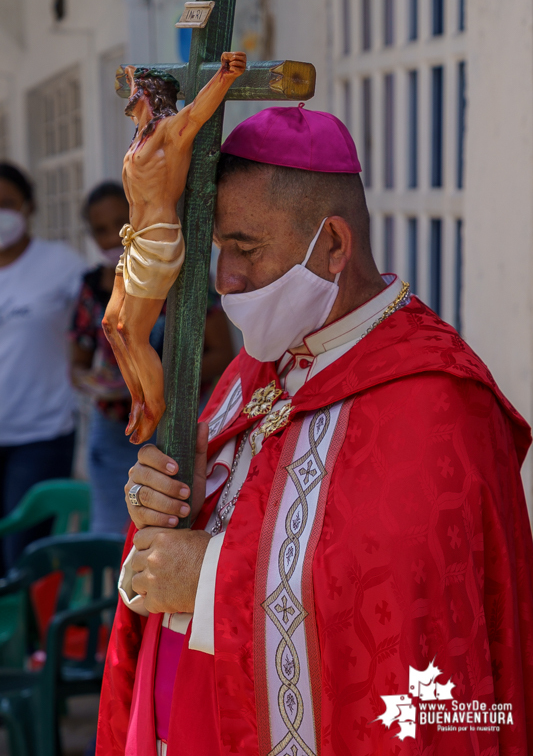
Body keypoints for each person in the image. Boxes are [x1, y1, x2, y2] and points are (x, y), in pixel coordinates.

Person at [97, 107, 533, 756]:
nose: (226, 281)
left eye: (245, 248)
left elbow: (405, 603)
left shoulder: (435, 397)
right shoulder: (256, 365)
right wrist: (165, 500)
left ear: (332, 245)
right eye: (220, 252)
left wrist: (211, 579)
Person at [72, 181, 235, 535]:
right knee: (114, 537)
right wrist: (100, 385)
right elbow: (77, 365)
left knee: (172, 531)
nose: (115, 236)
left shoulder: (183, 278)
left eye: (121, 221)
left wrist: (152, 385)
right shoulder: (91, 288)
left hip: (177, 424)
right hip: (117, 430)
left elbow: (223, 354)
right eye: (101, 230)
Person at [103, 53, 247, 445]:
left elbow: (199, 112)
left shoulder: (169, 132)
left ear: (147, 95)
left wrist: (224, 76)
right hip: (134, 239)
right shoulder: (140, 137)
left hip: (158, 241)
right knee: (111, 325)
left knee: (132, 331)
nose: (128, 99)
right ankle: (138, 396)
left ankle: (154, 405)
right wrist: (132, 71)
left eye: (133, 91)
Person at [0, 162, 86, 571]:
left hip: (41, 434)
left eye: (7, 204)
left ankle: (32, 637)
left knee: (25, 556)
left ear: (28, 206)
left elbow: (104, 323)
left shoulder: (62, 265)